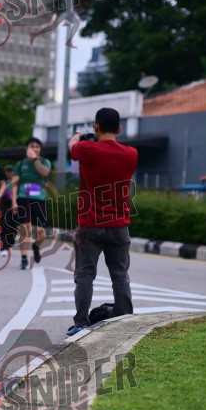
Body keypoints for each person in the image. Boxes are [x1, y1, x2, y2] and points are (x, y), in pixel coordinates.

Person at [66, 108, 138, 336]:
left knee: (85, 275)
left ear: (96, 127)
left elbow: (72, 148)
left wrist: (78, 136)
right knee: (120, 275)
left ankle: (81, 323)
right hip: (119, 225)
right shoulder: (131, 153)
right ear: (119, 129)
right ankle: (125, 319)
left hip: (90, 224)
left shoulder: (86, 149)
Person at [11, 137, 52, 270]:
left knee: (41, 233)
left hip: (39, 200)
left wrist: (35, 159)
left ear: (40, 149)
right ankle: (24, 258)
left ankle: (36, 246)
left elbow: (45, 172)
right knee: (25, 229)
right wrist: (14, 201)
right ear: (26, 148)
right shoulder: (20, 164)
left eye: (37, 147)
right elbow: (15, 183)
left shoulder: (44, 161)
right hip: (23, 199)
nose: (34, 149)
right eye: (31, 146)